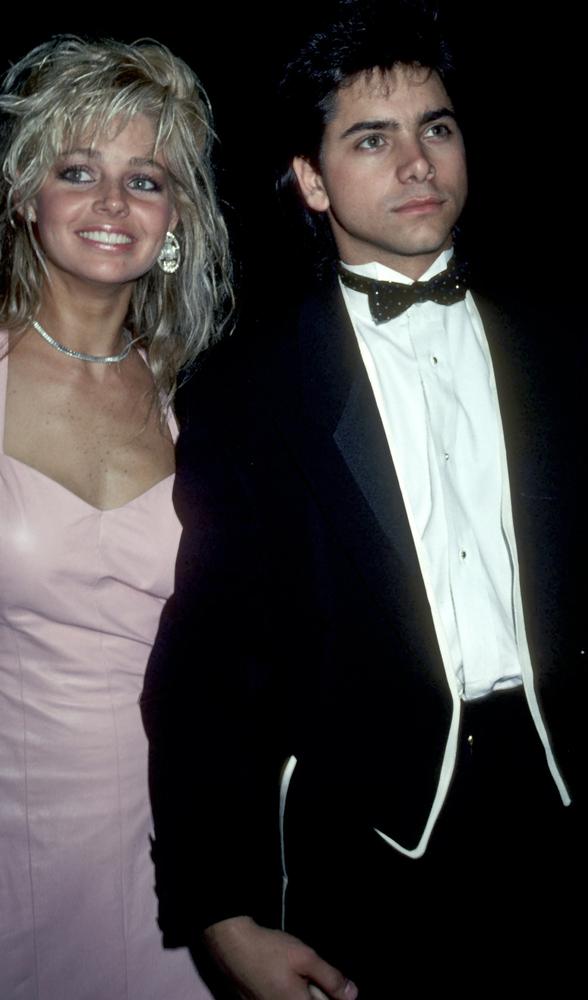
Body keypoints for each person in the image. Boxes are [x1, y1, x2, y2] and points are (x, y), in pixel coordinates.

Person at [142, 3, 588, 997]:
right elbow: (208, 673)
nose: (416, 162)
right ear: (311, 179)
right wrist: (220, 910)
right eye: (371, 139)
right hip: (374, 846)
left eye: (437, 127)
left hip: (580, 813)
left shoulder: (572, 349)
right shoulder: (248, 396)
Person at [0, 36, 231, 1000]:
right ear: (26, 196)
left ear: (174, 218)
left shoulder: (207, 404)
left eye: (145, 179)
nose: (110, 204)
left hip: (180, 842)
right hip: (18, 841)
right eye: (77, 171)